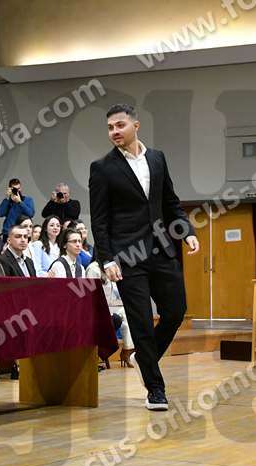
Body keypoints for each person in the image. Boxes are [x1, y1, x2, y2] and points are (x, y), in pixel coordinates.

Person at [89, 103, 199, 411]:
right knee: (140, 323)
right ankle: (155, 389)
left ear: (135, 126)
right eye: (110, 127)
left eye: (120, 125)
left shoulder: (157, 158)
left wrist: (187, 231)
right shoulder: (102, 168)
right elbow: (99, 220)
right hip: (126, 257)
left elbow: (171, 202)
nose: (114, 131)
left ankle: (143, 358)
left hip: (161, 249)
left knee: (175, 311)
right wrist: (107, 259)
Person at [86, 261, 135, 368]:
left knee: (127, 313)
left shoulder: (112, 266)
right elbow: (90, 296)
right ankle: (124, 352)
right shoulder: (93, 269)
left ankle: (127, 350)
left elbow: (113, 294)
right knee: (118, 317)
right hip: (97, 310)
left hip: (110, 306)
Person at [0, 178, 34, 243]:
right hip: (8, 233)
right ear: (10, 189)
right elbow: (0, 213)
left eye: (18, 188)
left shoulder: (27, 200)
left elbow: (31, 214)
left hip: (23, 233)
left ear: (21, 188)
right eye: (14, 189)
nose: (17, 191)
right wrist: (7, 198)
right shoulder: (7, 201)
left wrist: (20, 202)